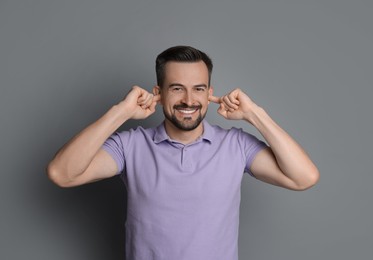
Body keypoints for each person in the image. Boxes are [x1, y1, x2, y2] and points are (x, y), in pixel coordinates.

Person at [47, 45, 319, 260]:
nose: (189, 100)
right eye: (177, 89)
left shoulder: (235, 145)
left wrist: (255, 115)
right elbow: (62, 174)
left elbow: (303, 178)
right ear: (159, 93)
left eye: (198, 89)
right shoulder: (131, 145)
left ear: (209, 93)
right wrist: (120, 113)